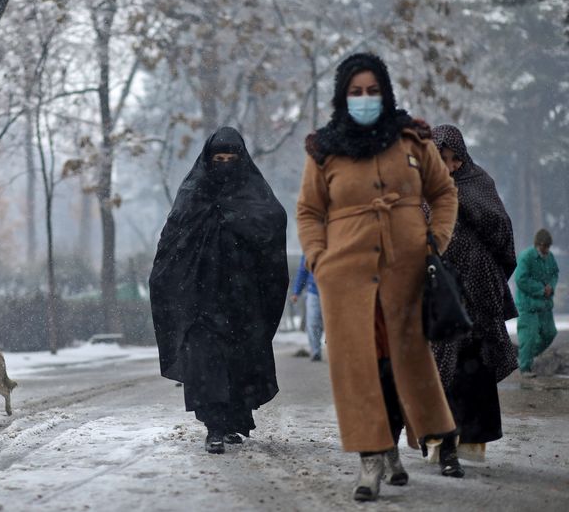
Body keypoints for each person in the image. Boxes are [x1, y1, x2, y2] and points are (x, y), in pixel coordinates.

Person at [297, 52, 460, 501]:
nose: (365, 99)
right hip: (344, 279)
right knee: (358, 371)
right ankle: (370, 460)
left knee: (399, 367)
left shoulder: (412, 140)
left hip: (405, 275)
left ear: (385, 93)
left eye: (372, 91)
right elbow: (310, 211)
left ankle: (396, 447)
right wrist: (318, 260)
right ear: (342, 96)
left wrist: (436, 240)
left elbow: (444, 192)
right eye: (356, 92)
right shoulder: (324, 149)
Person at [149, 126, 289, 455]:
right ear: (208, 161)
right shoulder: (193, 194)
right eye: (218, 159)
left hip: (242, 300)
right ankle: (214, 425)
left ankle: (232, 421)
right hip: (200, 299)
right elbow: (172, 239)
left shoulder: (253, 196)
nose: (224, 165)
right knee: (205, 361)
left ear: (241, 161)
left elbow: (273, 222)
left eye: (231, 159)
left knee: (238, 362)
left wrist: (237, 225)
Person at [429, 124, 519, 470]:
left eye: (455, 159)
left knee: (471, 372)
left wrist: (460, 201)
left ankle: (467, 443)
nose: (450, 166)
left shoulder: (479, 182)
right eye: (442, 159)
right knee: (441, 372)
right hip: (438, 298)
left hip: (477, 295)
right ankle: (443, 446)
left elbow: (500, 229)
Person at [515, 229, 560, 376]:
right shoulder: (526, 257)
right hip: (528, 305)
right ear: (538, 244)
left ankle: (524, 356)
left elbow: (554, 273)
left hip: (545, 305)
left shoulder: (550, 257)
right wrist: (541, 289)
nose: (547, 250)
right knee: (529, 335)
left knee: (550, 333)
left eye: (548, 247)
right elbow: (521, 279)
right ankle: (525, 368)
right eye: (545, 246)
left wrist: (551, 288)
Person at [291, 255, 323, 361]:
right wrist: (296, 292)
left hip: (333, 291)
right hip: (313, 291)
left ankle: (336, 351)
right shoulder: (308, 250)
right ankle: (315, 351)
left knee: (332, 324)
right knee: (313, 322)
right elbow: (303, 271)